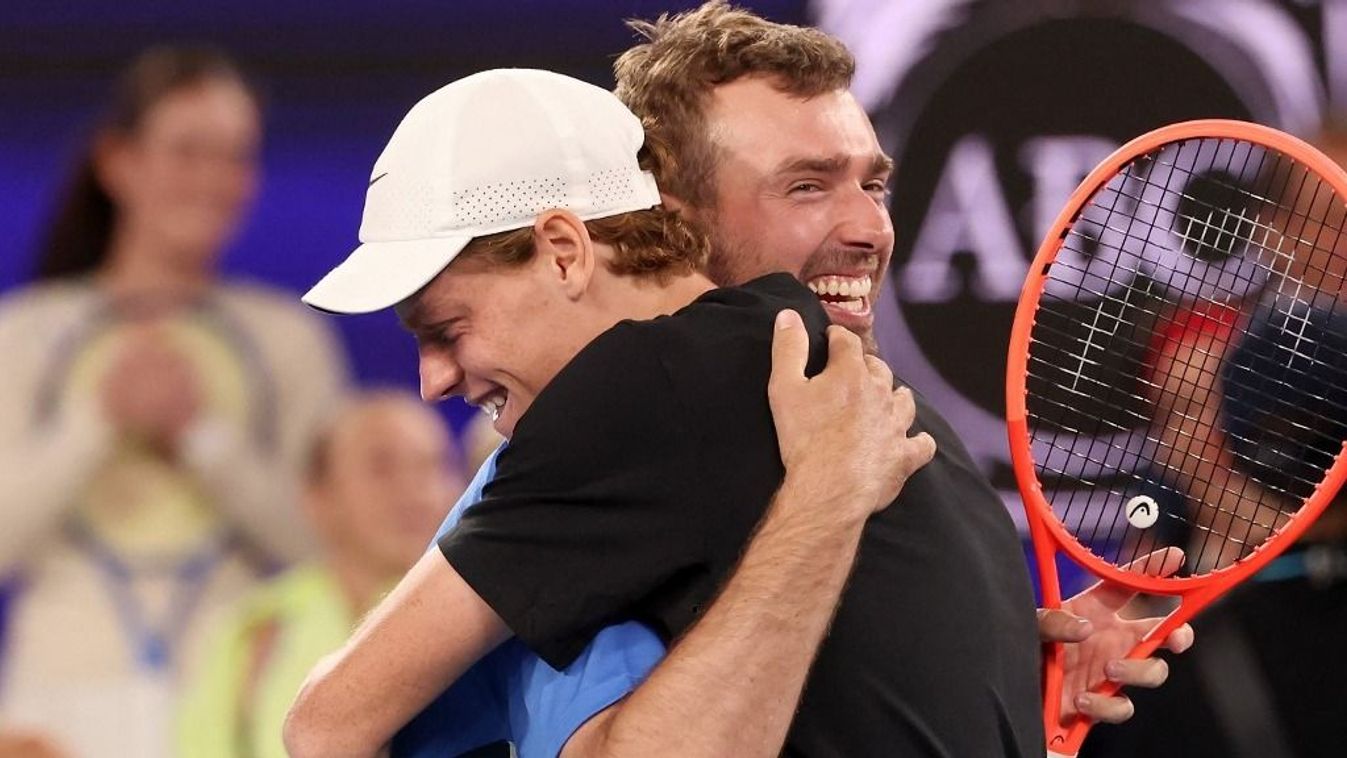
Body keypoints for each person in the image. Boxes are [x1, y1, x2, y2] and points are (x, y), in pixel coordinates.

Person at [0, 45, 348, 758]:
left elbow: (330, 547)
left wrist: (203, 437)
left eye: (235, 156)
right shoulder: (25, 332)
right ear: (117, 161)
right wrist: (97, 420)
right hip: (55, 711)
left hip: (237, 704)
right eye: (188, 151)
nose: (214, 181)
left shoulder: (289, 338)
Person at [176, 390, 465, 758]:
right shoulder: (260, 629)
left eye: (435, 465)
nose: (415, 490)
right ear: (318, 497)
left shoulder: (488, 616)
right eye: (382, 467)